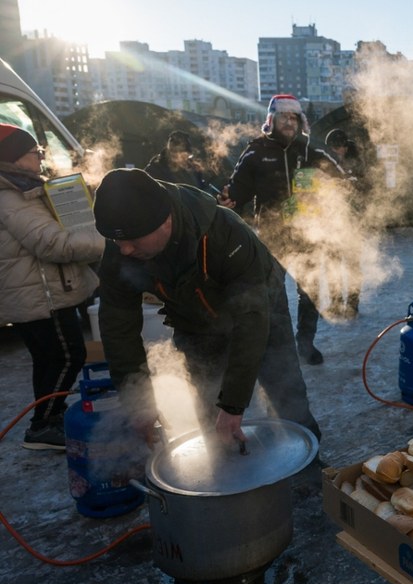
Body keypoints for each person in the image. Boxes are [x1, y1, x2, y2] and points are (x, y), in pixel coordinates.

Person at [93, 168, 321, 446]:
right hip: (194, 324)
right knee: (209, 410)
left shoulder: (225, 233)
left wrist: (234, 404)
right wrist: (138, 403)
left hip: (262, 311)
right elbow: (118, 325)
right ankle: (225, 475)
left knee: (286, 393)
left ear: (165, 221)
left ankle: (312, 473)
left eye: (133, 240)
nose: (124, 250)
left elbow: (252, 320)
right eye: (118, 241)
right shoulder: (122, 247)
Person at [217, 94, 348, 364]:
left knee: (310, 291)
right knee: (273, 295)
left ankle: (305, 343)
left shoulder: (311, 148)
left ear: (300, 120)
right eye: (283, 117)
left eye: (294, 117)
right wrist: (229, 198)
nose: (289, 122)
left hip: (308, 232)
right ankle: (280, 346)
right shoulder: (256, 150)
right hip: (272, 235)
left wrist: (332, 189)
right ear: (271, 120)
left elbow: (342, 177)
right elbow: (238, 188)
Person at [0, 124, 104, 449]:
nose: (40, 156)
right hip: (39, 294)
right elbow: (52, 244)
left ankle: (48, 417)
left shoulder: (22, 189)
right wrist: (105, 241)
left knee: (48, 359)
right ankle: (43, 424)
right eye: (34, 152)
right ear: (15, 157)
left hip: (37, 291)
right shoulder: (11, 196)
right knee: (68, 356)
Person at [316, 128, 364, 318]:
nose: (336, 152)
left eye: (339, 148)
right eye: (332, 149)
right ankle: (335, 303)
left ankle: (352, 304)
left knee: (352, 264)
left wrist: (348, 184)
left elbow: (363, 188)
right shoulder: (325, 163)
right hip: (330, 221)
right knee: (331, 262)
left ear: (345, 146)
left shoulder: (357, 161)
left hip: (353, 220)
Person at [144, 130, 213, 192]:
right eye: (184, 155)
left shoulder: (192, 169)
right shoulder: (156, 169)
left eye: (188, 155)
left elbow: (201, 190)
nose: (186, 159)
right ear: (174, 153)